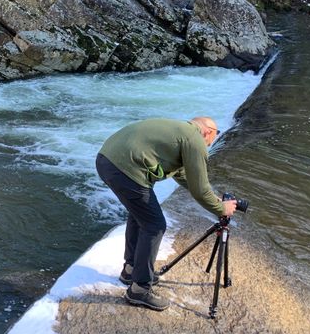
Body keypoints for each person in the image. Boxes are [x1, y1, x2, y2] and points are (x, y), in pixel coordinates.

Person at [95, 117, 237, 311]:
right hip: (125, 168)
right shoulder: (195, 140)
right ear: (208, 131)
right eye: (216, 134)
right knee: (154, 225)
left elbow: (184, 176)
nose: (214, 140)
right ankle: (139, 289)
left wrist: (214, 198)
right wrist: (222, 208)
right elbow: (200, 190)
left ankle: (131, 270)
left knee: (140, 216)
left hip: (107, 160)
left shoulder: (179, 132)